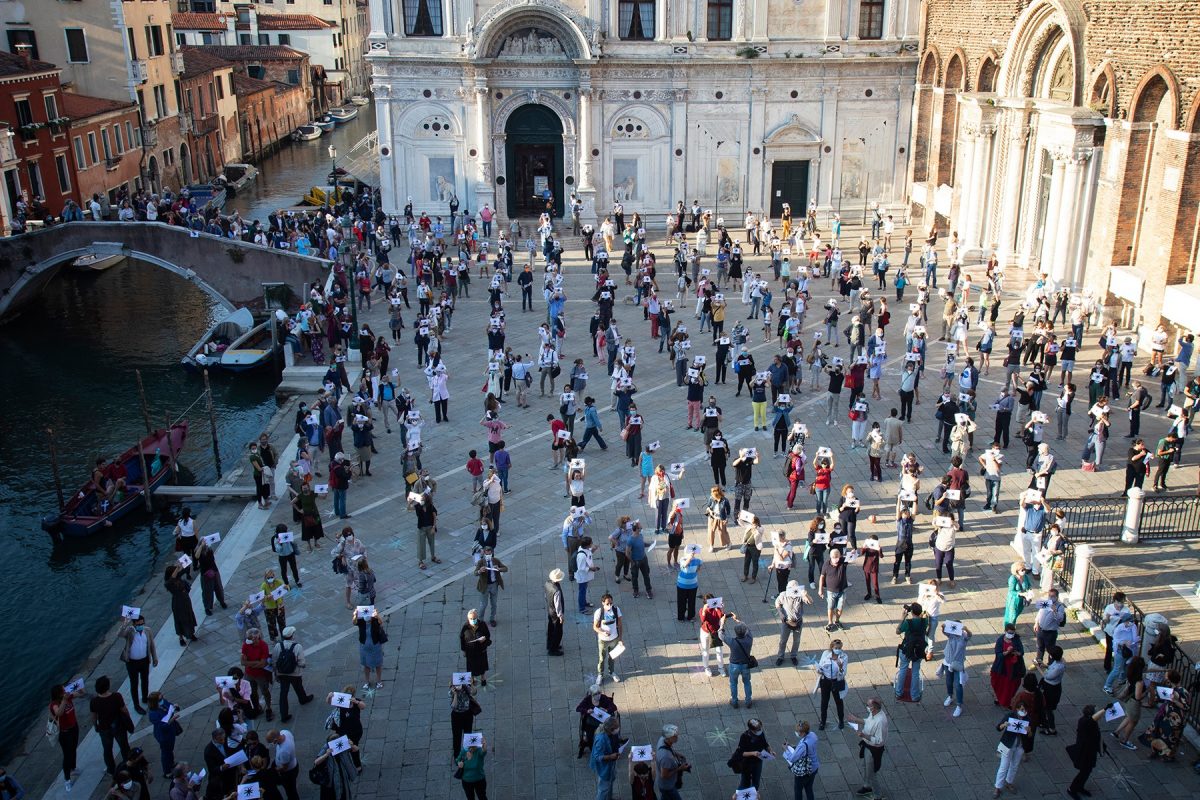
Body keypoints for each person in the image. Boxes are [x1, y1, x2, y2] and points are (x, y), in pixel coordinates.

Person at [845, 698, 888, 797]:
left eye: (868, 705)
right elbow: (867, 722)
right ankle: (867, 786)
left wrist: (864, 736)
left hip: (874, 749)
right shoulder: (873, 714)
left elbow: (879, 740)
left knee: (872, 773)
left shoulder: (880, 721)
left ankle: (878, 795)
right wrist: (855, 719)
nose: (867, 707)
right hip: (867, 745)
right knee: (865, 767)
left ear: (874, 708)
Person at [117, 614, 158, 715]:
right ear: (134, 624)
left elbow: (151, 644)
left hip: (144, 660)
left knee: (145, 680)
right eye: (139, 624)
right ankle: (136, 705)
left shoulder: (147, 630)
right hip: (132, 662)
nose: (141, 626)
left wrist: (154, 657)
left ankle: (145, 698)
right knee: (134, 683)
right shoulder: (130, 631)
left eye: (142, 623)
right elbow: (120, 634)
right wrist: (124, 624)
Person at [274, 626, 315, 723]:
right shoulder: (297, 647)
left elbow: (274, 661)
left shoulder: (277, 646)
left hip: (282, 673)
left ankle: (284, 714)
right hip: (295, 673)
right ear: (292, 636)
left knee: (283, 693)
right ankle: (303, 699)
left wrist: (276, 674)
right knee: (298, 687)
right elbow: (302, 663)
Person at [50, 682, 84, 790]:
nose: (65, 690)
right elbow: (59, 713)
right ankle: (67, 779)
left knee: (73, 749)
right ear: (59, 694)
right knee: (67, 755)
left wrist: (80, 687)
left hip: (74, 727)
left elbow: (81, 694)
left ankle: (73, 768)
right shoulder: (54, 704)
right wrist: (64, 700)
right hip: (65, 732)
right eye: (63, 690)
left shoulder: (68, 697)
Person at [993, 699, 1030, 797]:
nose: (1024, 712)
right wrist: (1004, 725)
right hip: (1008, 745)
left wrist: (1029, 731)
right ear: (1017, 709)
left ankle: (1009, 782)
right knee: (1004, 766)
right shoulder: (1010, 716)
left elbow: (1029, 736)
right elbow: (998, 728)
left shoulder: (1027, 719)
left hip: (1019, 746)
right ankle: (998, 787)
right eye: (1022, 709)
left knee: (1015, 765)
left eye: (1025, 710)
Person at [721, 613, 755, 708]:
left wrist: (722, 623)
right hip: (745, 665)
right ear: (744, 633)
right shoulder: (749, 639)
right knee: (747, 682)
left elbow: (721, 634)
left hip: (734, 665)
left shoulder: (732, 642)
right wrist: (737, 620)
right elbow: (747, 628)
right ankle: (748, 701)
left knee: (733, 683)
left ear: (736, 633)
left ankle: (734, 701)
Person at [774, 579, 811, 666]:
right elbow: (777, 602)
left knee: (796, 640)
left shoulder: (800, 595)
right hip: (786, 621)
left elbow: (810, 602)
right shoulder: (783, 595)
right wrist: (780, 613)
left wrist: (806, 595)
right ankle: (780, 656)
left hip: (798, 621)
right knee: (783, 640)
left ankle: (793, 656)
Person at [730, 718, 772, 791]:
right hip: (747, 763)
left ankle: (754, 795)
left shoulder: (760, 733)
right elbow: (741, 753)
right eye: (758, 729)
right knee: (745, 783)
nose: (760, 730)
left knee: (756, 782)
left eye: (760, 728)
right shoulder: (744, 736)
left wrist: (770, 750)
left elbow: (765, 744)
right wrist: (753, 753)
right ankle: (740, 796)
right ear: (752, 729)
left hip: (758, 761)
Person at [312, 732, 358, 800]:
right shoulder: (326, 747)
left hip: (342, 776)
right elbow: (316, 762)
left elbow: (356, 749)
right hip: (331, 780)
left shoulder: (343, 745)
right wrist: (326, 755)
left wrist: (352, 745)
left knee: (344, 794)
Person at [990, 624, 1026, 706]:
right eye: (1009, 633)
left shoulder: (1016, 639)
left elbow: (1021, 652)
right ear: (1005, 631)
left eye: (1013, 633)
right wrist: (1007, 652)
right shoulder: (1000, 640)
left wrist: (1016, 652)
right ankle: (998, 697)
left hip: (1014, 667)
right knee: (999, 683)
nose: (1011, 635)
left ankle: (1009, 700)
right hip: (1002, 666)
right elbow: (998, 654)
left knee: (1011, 685)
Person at [940, 622, 971, 717]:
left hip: (957, 664)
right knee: (949, 682)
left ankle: (959, 705)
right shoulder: (951, 634)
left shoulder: (964, 636)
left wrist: (966, 629)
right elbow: (944, 632)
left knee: (958, 685)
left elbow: (970, 635)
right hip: (948, 662)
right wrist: (943, 627)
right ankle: (950, 696)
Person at [817, 640, 849, 730]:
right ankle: (822, 722)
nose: (838, 650)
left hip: (836, 681)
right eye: (836, 648)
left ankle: (841, 721)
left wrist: (840, 667)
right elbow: (820, 665)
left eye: (839, 648)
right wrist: (819, 670)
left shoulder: (844, 657)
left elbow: (843, 673)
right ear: (832, 647)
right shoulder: (826, 653)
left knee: (838, 702)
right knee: (824, 702)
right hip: (825, 681)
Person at [594, 593, 624, 683]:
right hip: (603, 640)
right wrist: (602, 632)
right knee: (602, 658)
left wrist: (620, 639)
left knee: (612, 657)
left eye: (611, 603)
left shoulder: (616, 610)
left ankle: (612, 672)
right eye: (607, 604)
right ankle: (600, 674)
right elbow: (595, 627)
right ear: (603, 603)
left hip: (614, 639)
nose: (609, 605)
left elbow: (619, 624)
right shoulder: (599, 612)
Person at [817, 545, 849, 632]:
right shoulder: (826, 564)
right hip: (831, 591)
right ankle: (830, 622)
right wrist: (820, 589)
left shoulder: (843, 561)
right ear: (830, 557)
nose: (835, 559)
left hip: (842, 590)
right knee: (830, 607)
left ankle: (837, 621)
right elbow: (822, 577)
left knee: (840, 607)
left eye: (837, 557)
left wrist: (853, 553)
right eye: (833, 558)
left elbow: (852, 557)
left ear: (840, 556)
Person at [589, 717, 622, 800]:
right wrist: (611, 756)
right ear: (611, 729)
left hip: (611, 764)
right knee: (603, 789)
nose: (618, 729)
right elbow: (597, 757)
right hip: (605, 767)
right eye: (617, 727)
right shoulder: (601, 739)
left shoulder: (612, 733)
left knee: (610, 782)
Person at [474, 545, 508, 626]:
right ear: (484, 554)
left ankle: (492, 619)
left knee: (494, 604)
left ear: (492, 553)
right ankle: (480, 620)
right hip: (484, 586)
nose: (488, 555)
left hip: (494, 585)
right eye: (486, 554)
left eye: (489, 553)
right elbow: (475, 573)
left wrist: (499, 569)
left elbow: (506, 568)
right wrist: (479, 571)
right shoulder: (481, 562)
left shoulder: (496, 561)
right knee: (483, 605)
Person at [655, 724, 689, 800]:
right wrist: (680, 768)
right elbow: (664, 775)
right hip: (667, 786)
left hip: (666, 785)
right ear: (669, 737)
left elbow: (668, 748)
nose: (677, 737)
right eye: (675, 736)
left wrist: (676, 754)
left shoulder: (662, 740)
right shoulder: (666, 757)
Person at [1032, 589, 1066, 666]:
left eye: (1053, 596)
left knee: (1050, 649)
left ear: (1057, 597)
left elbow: (1060, 619)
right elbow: (1040, 613)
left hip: (1050, 632)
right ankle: (1038, 661)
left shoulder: (1060, 607)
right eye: (1049, 595)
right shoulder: (1046, 602)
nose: (1051, 597)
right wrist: (1036, 623)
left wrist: (1054, 611)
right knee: (1040, 647)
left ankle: (1051, 664)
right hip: (1040, 629)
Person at [355, 608, 387, 689]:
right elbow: (354, 622)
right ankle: (367, 681)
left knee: (378, 665)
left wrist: (377, 615)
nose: (367, 621)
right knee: (366, 665)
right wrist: (355, 614)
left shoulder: (375, 622)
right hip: (364, 648)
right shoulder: (361, 622)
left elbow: (381, 622)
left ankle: (379, 681)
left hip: (375, 647)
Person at [265, 729, 299, 800]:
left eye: (270, 742)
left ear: (275, 740)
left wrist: (276, 770)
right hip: (292, 763)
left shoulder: (284, 751)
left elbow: (284, 768)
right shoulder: (285, 732)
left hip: (289, 772)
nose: (270, 744)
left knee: (290, 791)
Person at [460, 609, 492, 686]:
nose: (473, 620)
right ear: (468, 619)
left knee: (482, 665)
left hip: (481, 650)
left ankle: (483, 678)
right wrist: (464, 650)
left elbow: (487, 635)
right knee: (471, 666)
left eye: (474, 618)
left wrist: (484, 639)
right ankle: (473, 679)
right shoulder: (465, 627)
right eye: (471, 619)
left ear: (477, 617)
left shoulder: (482, 624)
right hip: (470, 651)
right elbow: (462, 638)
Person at [454, 733, 488, 800]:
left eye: (473, 746)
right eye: (470, 746)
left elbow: (483, 752)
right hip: (467, 781)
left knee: (482, 797)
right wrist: (459, 763)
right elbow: (457, 760)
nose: (471, 748)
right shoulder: (464, 751)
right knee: (470, 798)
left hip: (479, 779)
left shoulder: (478, 751)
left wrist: (484, 745)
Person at [675, 548, 702, 621]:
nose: (692, 554)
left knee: (691, 601)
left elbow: (698, 569)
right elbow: (685, 565)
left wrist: (696, 569)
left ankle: (691, 616)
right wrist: (690, 558)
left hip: (693, 585)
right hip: (682, 585)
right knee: (681, 601)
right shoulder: (682, 560)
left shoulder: (698, 561)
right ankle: (681, 617)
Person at [545, 568, 566, 655]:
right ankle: (553, 649)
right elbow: (558, 605)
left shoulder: (547, 583)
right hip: (555, 613)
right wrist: (560, 616)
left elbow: (546, 596)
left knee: (550, 628)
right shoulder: (556, 590)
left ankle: (549, 644)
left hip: (550, 609)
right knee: (558, 631)